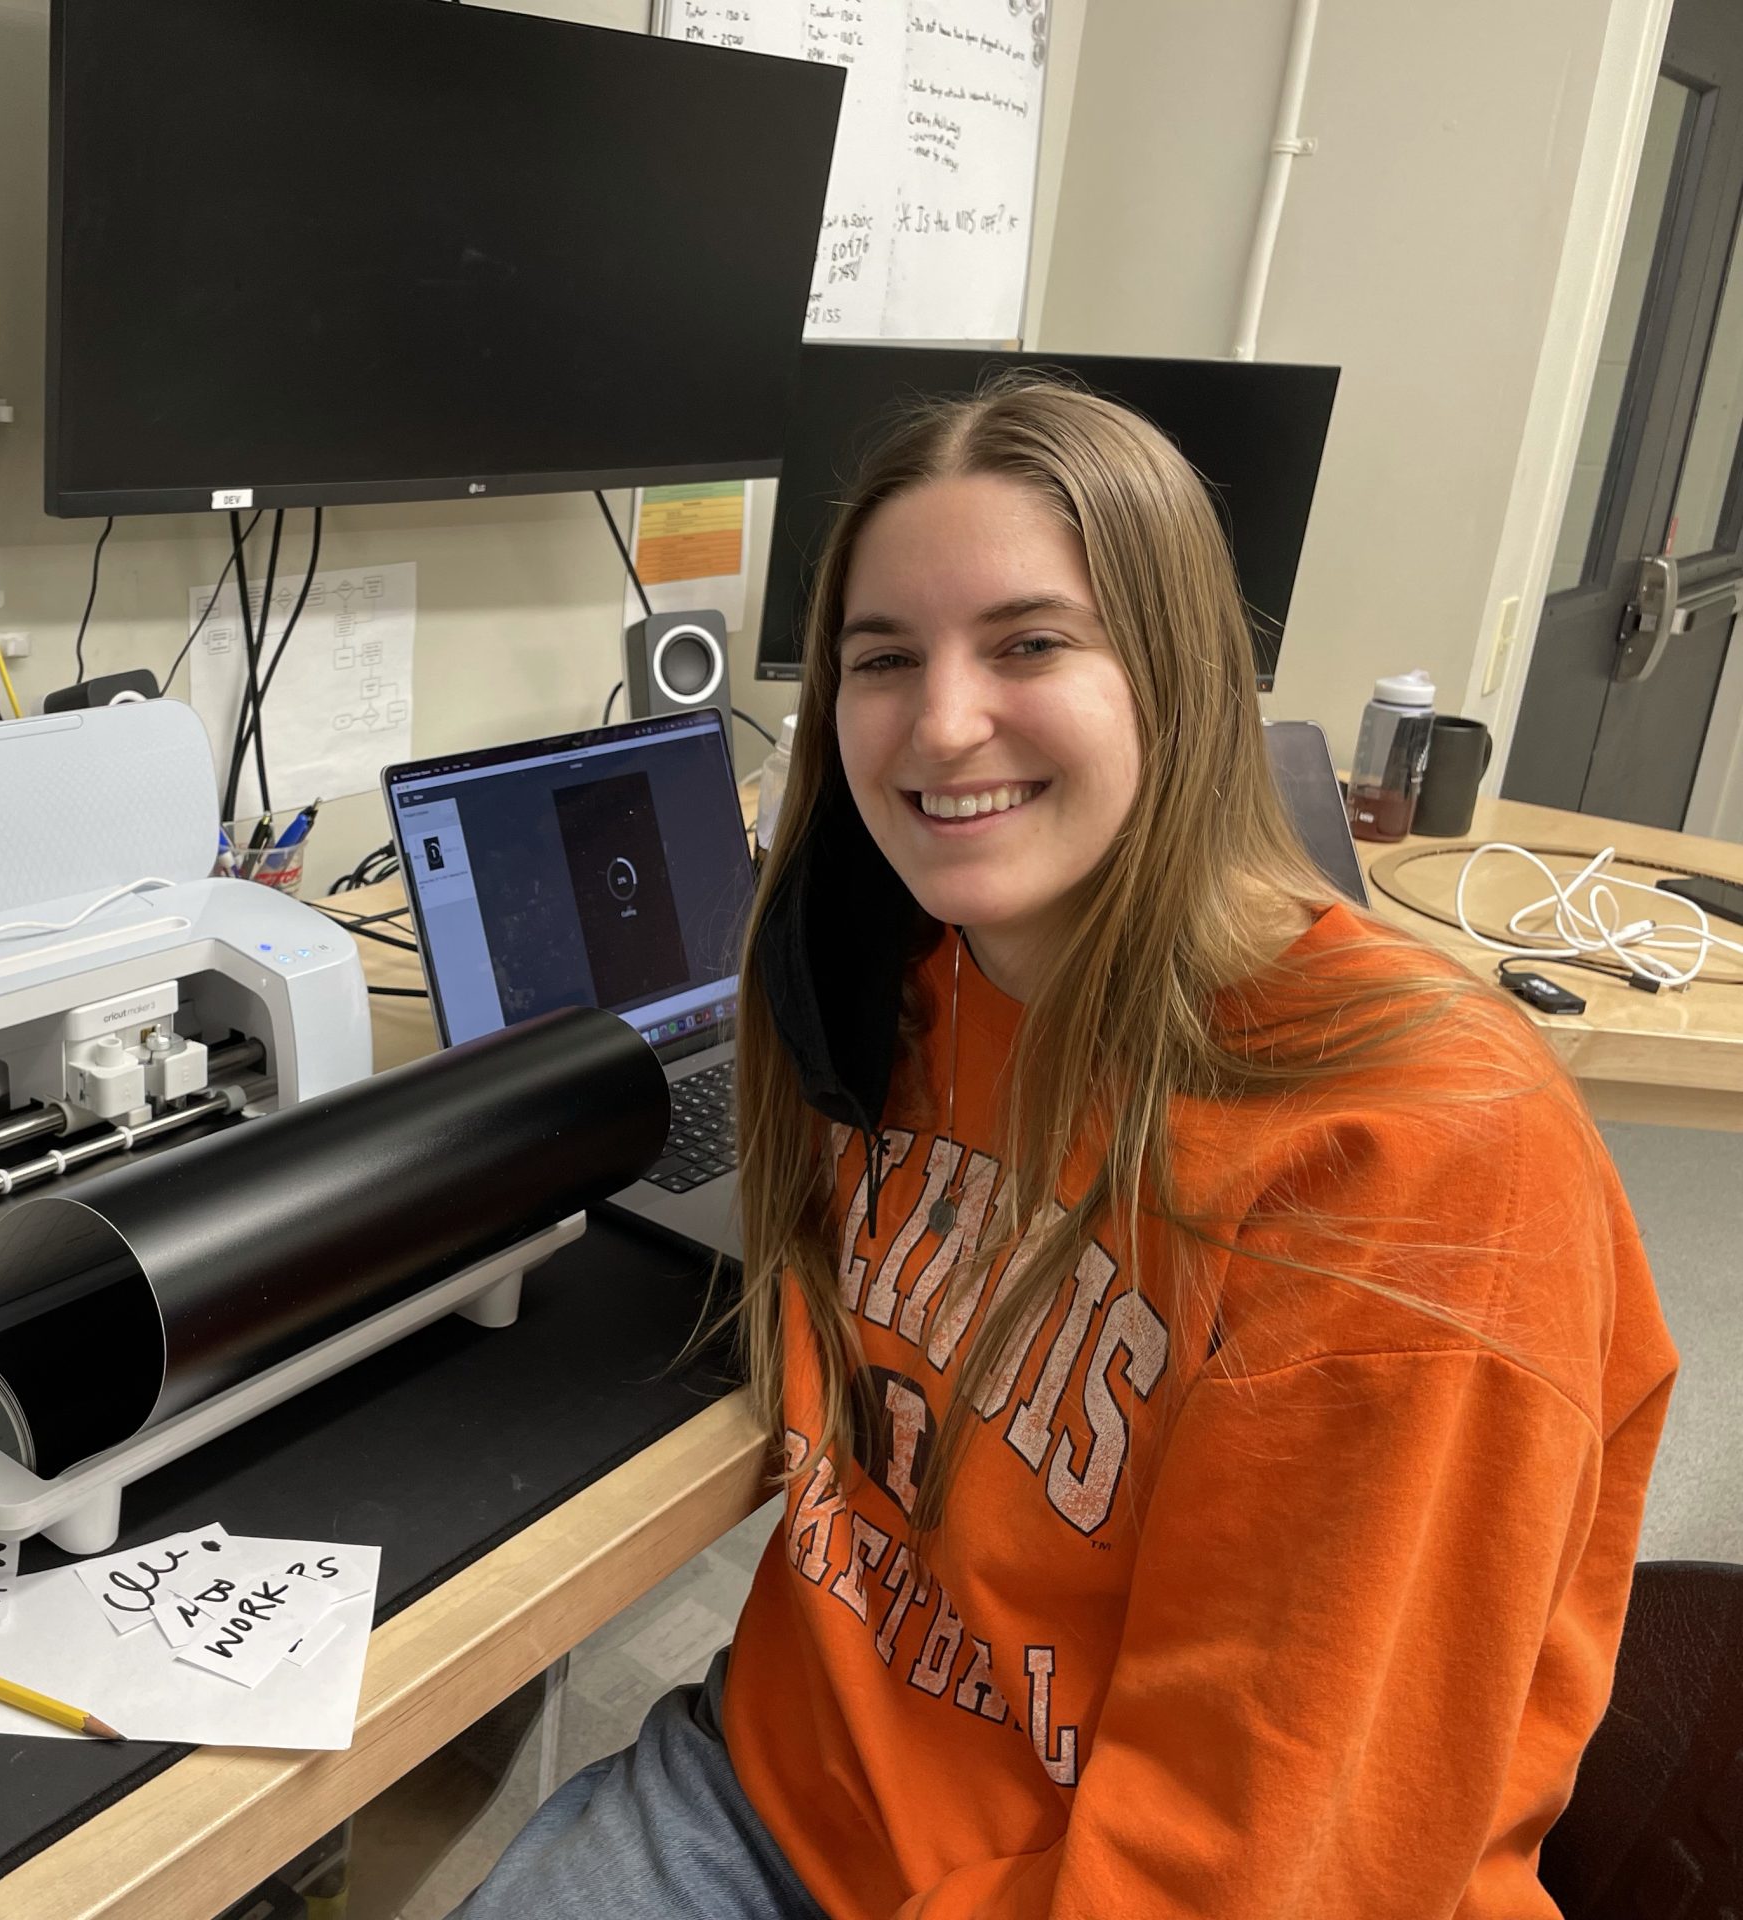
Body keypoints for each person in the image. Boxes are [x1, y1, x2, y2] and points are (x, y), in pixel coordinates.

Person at [455, 380, 1677, 1918]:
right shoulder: (898, 977)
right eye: (882, 658)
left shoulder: (1418, 1157)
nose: (941, 722)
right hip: (779, 1790)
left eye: (1029, 643)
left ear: (1174, 671)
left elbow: (1266, 1875)